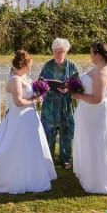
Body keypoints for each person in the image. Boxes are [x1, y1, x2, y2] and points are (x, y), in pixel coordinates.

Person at [0, 50, 57, 194]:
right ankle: (14, 177)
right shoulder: (15, 80)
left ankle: (33, 174)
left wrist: (39, 94)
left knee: (31, 147)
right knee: (16, 147)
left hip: (30, 118)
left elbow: (30, 90)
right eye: (29, 65)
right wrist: (35, 99)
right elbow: (18, 102)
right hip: (19, 119)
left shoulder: (24, 76)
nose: (30, 68)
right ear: (23, 65)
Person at [71, 42, 107, 196]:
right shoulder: (100, 68)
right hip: (90, 113)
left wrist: (77, 95)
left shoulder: (102, 73)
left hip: (97, 114)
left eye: (91, 53)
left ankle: (98, 180)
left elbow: (97, 99)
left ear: (98, 55)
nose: (90, 56)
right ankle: (89, 172)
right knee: (90, 142)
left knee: (98, 143)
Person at [38, 38, 80, 169]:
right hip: (50, 105)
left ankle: (66, 159)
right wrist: (46, 88)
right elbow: (40, 83)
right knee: (48, 132)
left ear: (66, 51)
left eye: (61, 51)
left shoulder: (72, 66)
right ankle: (47, 159)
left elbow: (78, 84)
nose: (58, 54)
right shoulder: (47, 66)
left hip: (66, 104)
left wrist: (68, 88)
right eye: (55, 51)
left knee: (66, 132)